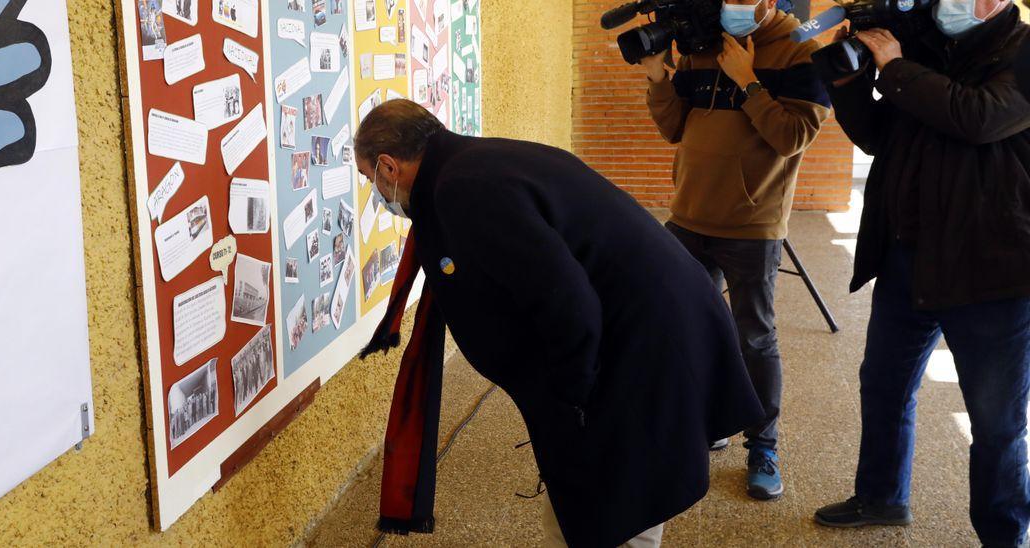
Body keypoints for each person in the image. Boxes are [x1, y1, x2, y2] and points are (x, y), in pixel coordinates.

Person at [354, 99, 765, 547]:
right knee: (598, 508)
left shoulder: (462, 188)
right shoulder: (475, 161)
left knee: (618, 511)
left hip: (640, 339)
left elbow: (565, 298)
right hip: (647, 319)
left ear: (389, 166)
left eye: (368, 177)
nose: (375, 190)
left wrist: (574, 403)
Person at [810, 2, 1030, 546]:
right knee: (883, 384)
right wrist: (847, 77)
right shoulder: (927, 48)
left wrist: (896, 66)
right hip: (909, 257)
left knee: (996, 420)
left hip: (992, 271)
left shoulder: (1023, 50)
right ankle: (882, 497)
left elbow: (978, 118)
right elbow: (879, 137)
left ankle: (1005, 534)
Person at [640, 0, 831, 501]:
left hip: (753, 224)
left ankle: (763, 446)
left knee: (755, 339)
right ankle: (712, 419)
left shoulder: (800, 51)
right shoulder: (701, 45)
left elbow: (793, 136)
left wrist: (749, 82)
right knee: (692, 328)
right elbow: (674, 127)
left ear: (768, 2)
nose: (726, 9)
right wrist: (659, 79)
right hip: (688, 217)